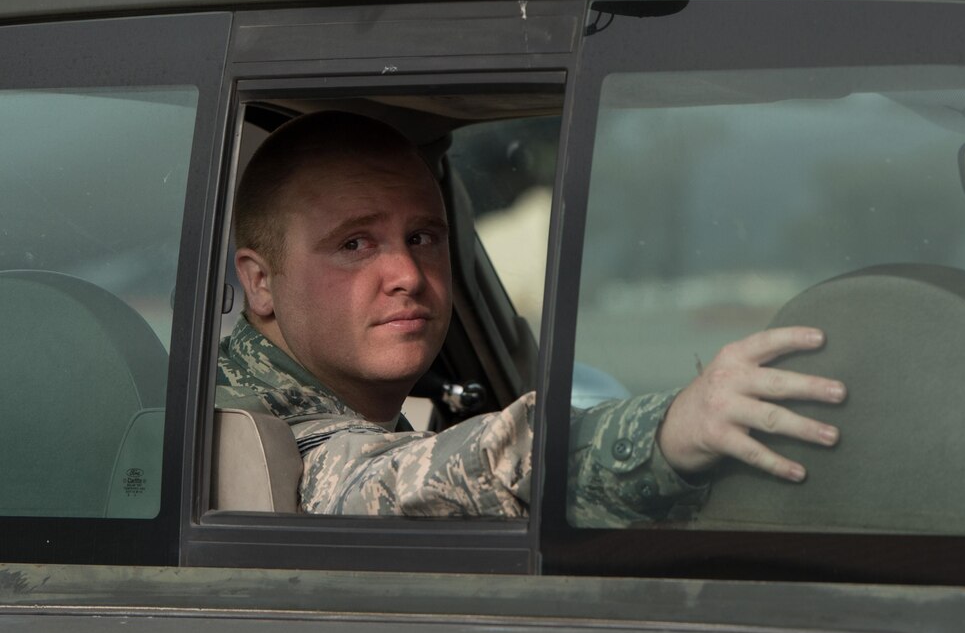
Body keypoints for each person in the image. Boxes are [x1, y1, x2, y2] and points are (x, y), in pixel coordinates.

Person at [218, 111, 846, 519]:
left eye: (424, 237)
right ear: (260, 282)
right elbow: (392, 484)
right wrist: (667, 432)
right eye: (355, 245)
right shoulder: (268, 436)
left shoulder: (210, 399)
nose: (407, 275)